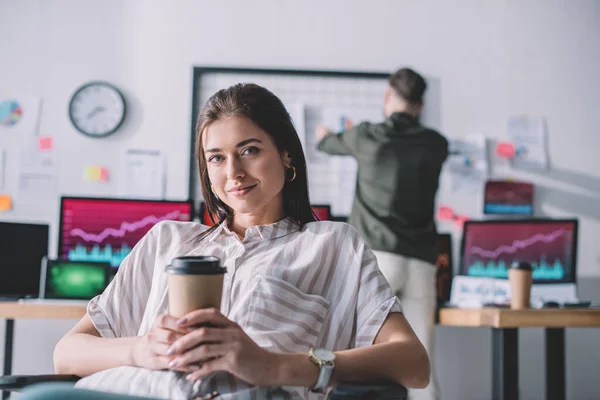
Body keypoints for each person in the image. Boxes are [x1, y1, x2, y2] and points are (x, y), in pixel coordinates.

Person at [52, 83, 430, 400]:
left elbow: (413, 364)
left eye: (249, 150)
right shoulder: (166, 241)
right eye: (216, 158)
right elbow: (67, 354)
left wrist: (274, 365)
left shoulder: (331, 244)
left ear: (286, 155)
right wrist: (141, 349)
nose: (233, 172)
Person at [315, 68, 448, 400]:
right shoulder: (436, 144)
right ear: (420, 104)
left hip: (377, 261)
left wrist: (325, 133)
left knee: (355, 362)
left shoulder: (366, 136)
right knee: (422, 368)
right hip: (421, 263)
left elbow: (324, 143)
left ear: (388, 97)